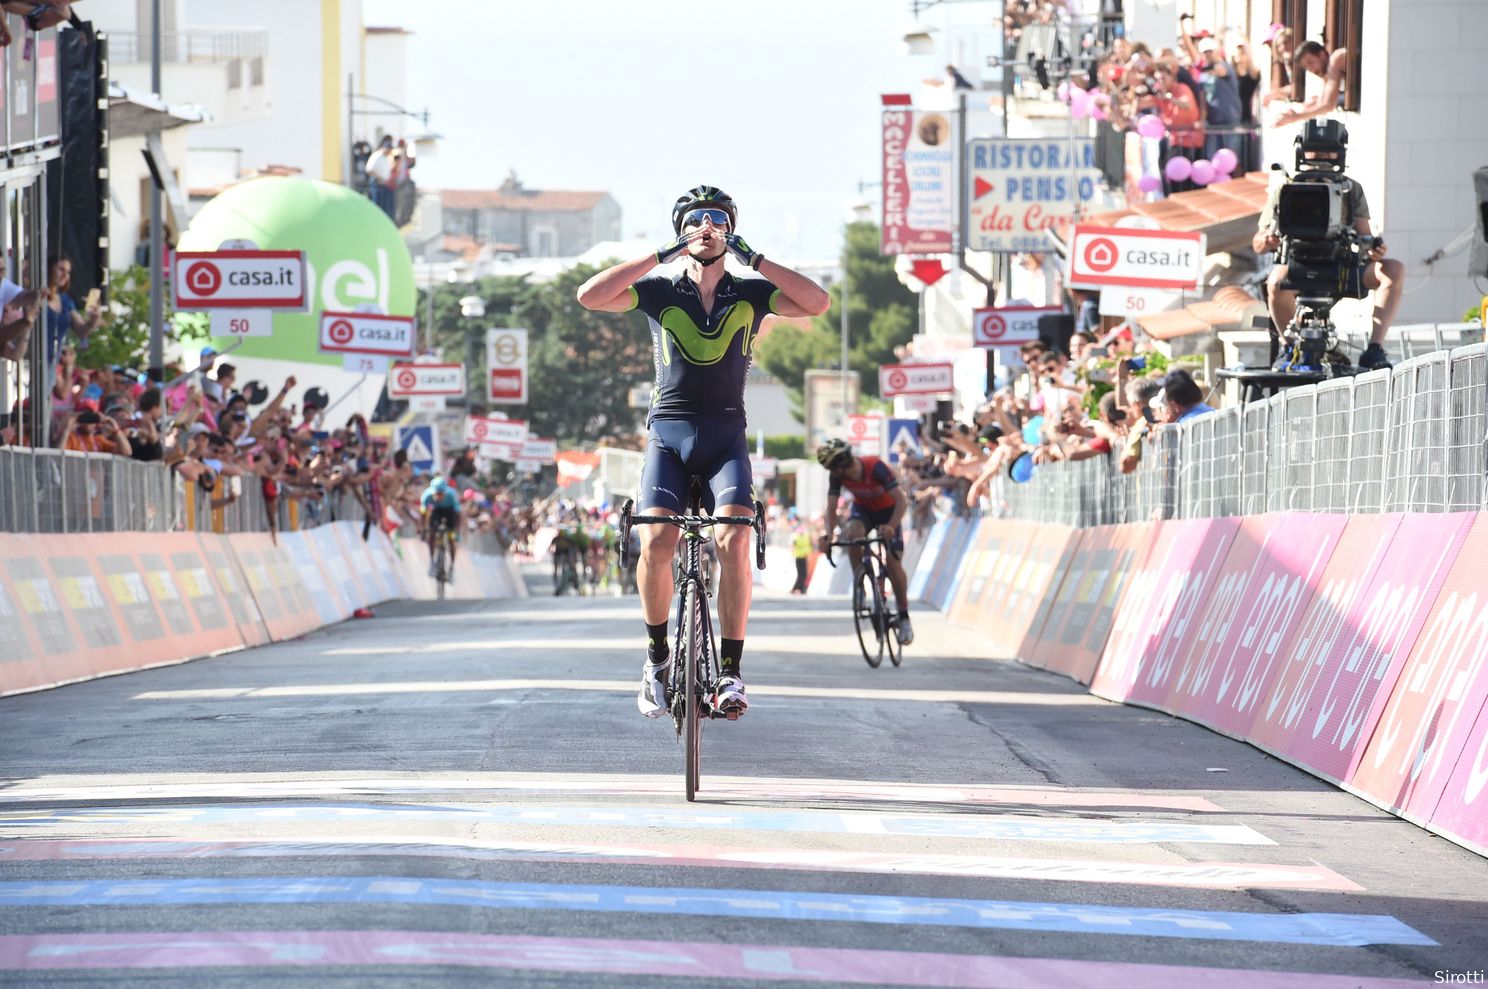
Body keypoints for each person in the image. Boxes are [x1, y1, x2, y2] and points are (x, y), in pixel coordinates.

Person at [576, 184, 830, 718]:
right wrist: (659, 256)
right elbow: (590, 297)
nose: (706, 227)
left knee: (735, 539)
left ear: (730, 229)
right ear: (681, 231)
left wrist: (753, 257)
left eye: (716, 219)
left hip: (725, 435)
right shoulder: (660, 292)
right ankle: (656, 660)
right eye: (695, 220)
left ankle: (732, 675)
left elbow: (818, 303)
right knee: (657, 540)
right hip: (669, 432)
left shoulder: (751, 293)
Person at [1252, 120, 1402, 370]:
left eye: (1327, 148)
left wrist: (1375, 249)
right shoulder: (1286, 188)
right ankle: (1289, 346)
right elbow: (1258, 242)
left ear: (1340, 150)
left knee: (1393, 270)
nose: (1321, 153)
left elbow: (1365, 236)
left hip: (1340, 267)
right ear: (1302, 149)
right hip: (1298, 264)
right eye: (1315, 147)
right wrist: (1267, 240)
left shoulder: (1350, 189)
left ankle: (1374, 349)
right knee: (1275, 281)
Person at [815, 438, 914, 646]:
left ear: (840, 463)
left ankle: (904, 616)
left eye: (831, 467)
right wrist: (829, 535)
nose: (831, 471)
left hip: (889, 512)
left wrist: (891, 525)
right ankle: (860, 584)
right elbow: (831, 508)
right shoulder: (837, 476)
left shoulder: (875, 467)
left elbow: (901, 501)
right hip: (865, 512)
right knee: (853, 533)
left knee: (893, 563)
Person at [43, 255, 102, 369]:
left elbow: (81, 330)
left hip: (51, 363)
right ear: (49, 269)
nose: (65, 275)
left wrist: (93, 321)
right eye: (61, 269)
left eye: (68, 272)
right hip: (31, 357)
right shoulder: (38, 295)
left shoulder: (65, 300)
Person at [1271, 40, 1347, 127]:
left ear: (1321, 54)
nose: (1310, 69)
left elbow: (1328, 105)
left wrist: (1295, 117)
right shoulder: (1327, 72)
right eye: (1306, 67)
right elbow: (1322, 102)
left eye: (1310, 62)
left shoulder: (1336, 59)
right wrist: (1307, 107)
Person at [419, 474, 460, 578]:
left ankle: (451, 567)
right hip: (436, 511)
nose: (439, 497)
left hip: (449, 511)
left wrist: (457, 531)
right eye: (436, 494)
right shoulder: (427, 496)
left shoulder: (452, 495)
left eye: (441, 494)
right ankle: (432, 562)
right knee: (432, 533)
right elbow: (423, 514)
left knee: (451, 539)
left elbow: (458, 514)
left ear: (445, 492)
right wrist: (423, 529)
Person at [790, 523, 812, 595]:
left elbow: (809, 545)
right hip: (798, 557)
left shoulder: (806, 536)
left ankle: (799, 588)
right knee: (801, 574)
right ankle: (798, 589)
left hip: (804, 557)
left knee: (804, 574)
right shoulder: (796, 537)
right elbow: (793, 546)